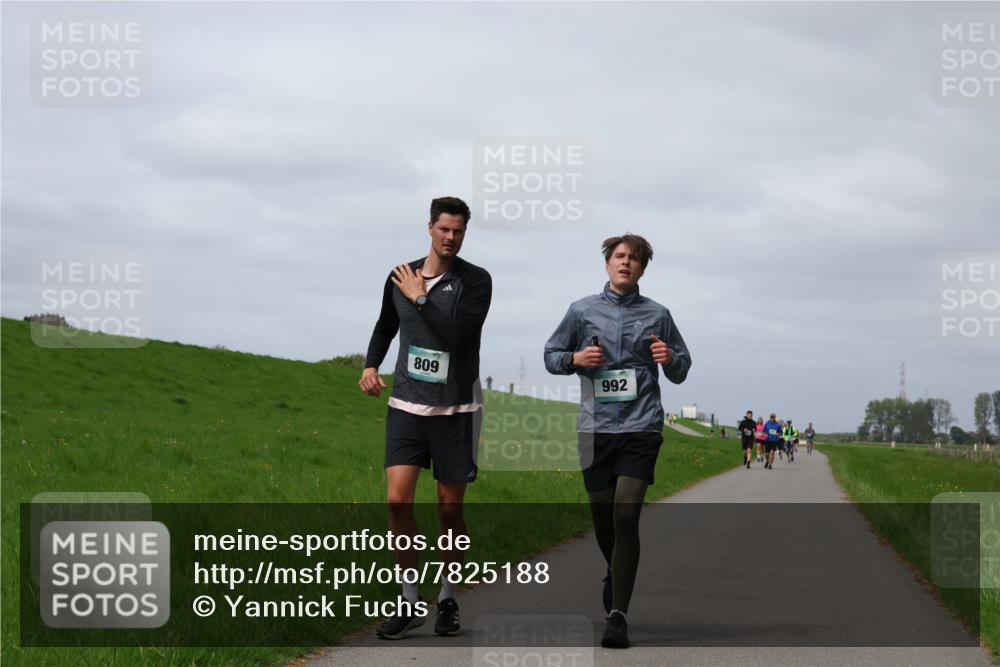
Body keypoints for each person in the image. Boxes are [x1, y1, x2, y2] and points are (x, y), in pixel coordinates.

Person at [543, 233, 691, 649]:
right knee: (603, 517)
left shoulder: (659, 315)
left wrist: (670, 359)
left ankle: (618, 615)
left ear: (643, 268)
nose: (626, 263)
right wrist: (575, 359)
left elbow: (681, 368)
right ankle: (615, 570)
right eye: (620, 257)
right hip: (595, 428)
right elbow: (551, 355)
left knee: (626, 515)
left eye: (634, 258)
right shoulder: (581, 310)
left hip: (641, 427)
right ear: (607, 264)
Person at [360, 196, 492, 639]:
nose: (451, 238)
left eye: (458, 231)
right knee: (397, 502)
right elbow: (384, 325)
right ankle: (411, 599)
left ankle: (449, 598)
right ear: (430, 227)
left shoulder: (476, 281)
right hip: (407, 406)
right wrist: (370, 365)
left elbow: (458, 337)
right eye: (444, 230)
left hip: (456, 410)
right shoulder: (398, 277)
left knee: (449, 509)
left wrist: (421, 299)